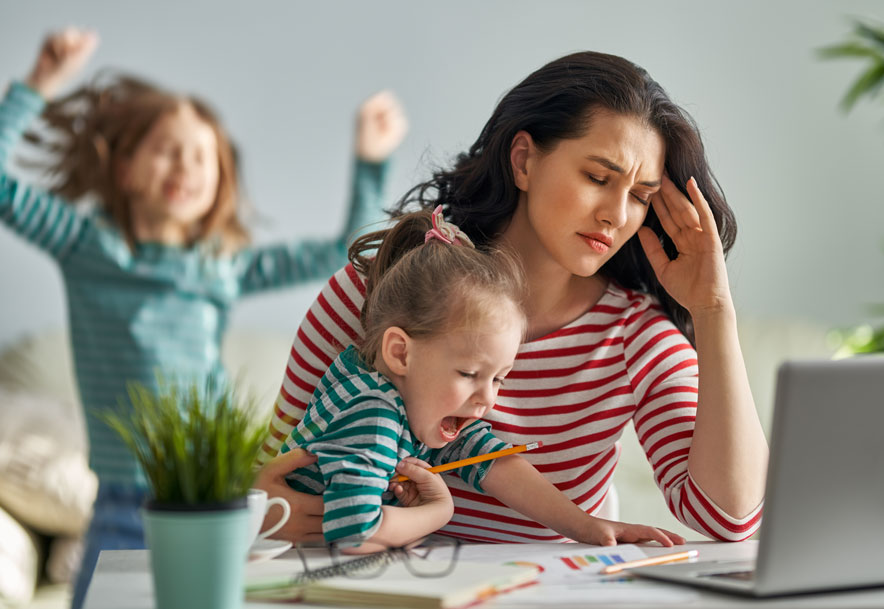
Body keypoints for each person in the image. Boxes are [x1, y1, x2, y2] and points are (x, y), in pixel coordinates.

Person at [254, 50, 768, 545]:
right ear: (523, 161)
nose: (616, 214)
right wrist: (265, 512)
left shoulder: (635, 337)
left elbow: (729, 519)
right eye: (597, 177)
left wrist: (713, 311)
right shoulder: (380, 289)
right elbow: (266, 471)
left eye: (640, 196)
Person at [0, 28, 407, 608]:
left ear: (218, 184)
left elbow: (348, 248)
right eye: (168, 148)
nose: (186, 163)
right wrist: (40, 84)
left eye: (202, 155)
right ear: (127, 169)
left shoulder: (220, 267)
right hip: (123, 504)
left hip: (218, 497)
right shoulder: (85, 246)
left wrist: (370, 160)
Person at [283, 206, 684, 550]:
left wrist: (587, 526)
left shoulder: (409, 399)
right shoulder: (372, 414)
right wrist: (438, 511)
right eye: (470, 374)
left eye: (499, 379)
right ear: (400, 353)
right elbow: (354, 533)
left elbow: (493, 461)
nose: (487, 400)